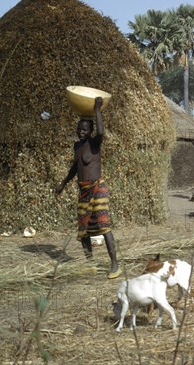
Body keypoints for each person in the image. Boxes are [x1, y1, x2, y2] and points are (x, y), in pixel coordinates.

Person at [55, 97, 120, 279]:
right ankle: (90, 264)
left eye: (85, 129)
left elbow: (101, 131)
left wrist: (98, 109)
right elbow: (75, 167)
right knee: (83, 230)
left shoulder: (94, 143)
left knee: (103, 225)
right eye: (79, 128)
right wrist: (63, 183)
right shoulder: (78, 146)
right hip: (83, 191)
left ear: (90, 131)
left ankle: (115, 265)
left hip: (97, 189)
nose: (81, 132)